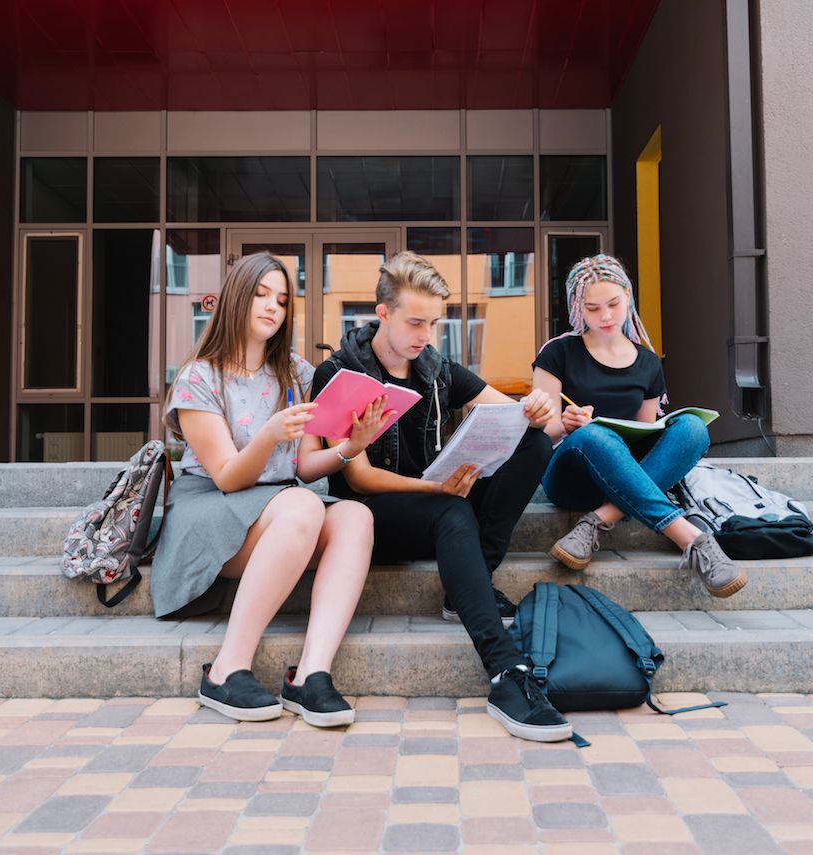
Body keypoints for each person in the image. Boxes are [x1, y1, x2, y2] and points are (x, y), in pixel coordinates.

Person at [301, 251, 572, 743]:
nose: (426, 335)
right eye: (416, 322)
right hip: (374, 521)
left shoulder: (437, 369)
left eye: (435, 322)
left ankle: (469, 583)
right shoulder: (339, 374)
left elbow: (528, 420)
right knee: (450, 505)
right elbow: (358, 479)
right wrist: (437, 487)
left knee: (530, 442)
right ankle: (505, 671)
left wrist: (539, 410)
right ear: (381, 314)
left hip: (439, 507)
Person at [151, 251, 390, 727]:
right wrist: (268, 434)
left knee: (355, 515)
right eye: (261, 295)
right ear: (237, 298)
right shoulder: (200, 376)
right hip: (211, 510)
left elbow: (304, 466)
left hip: (279, 510)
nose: (272, 307)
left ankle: (310, 674)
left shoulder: (297, 374)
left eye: (281, 300)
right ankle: (225, 670)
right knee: (301, 505)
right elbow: (226, 476)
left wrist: (349, 446)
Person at [532, 254, 747, 598]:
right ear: (577, 308)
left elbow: (645, 431)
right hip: (568, 474)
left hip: (625, 478)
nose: (605, 316)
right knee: (595, 434)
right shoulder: (558, 353)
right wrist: (564, 425)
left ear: (628, 297)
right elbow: (538, 431)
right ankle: (690, 538)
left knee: (692, 428)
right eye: (592, 308)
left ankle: (598, 521)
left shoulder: (648, 363)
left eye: (614, 304)